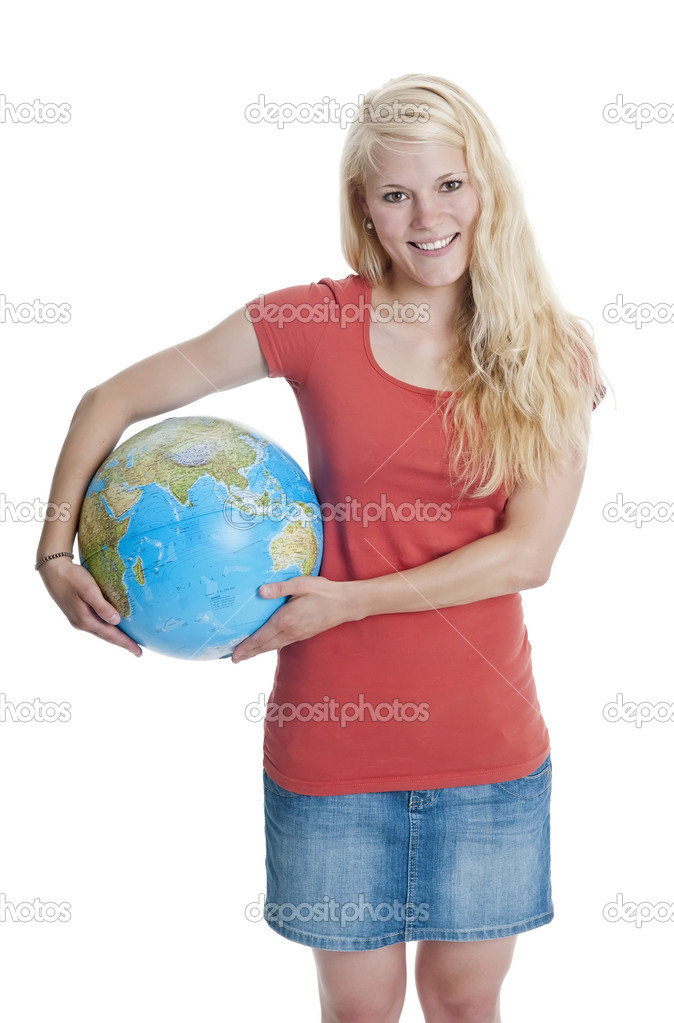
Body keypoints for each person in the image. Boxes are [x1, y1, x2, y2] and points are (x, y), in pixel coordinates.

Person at [36, 73, 607, 1023]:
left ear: (488, 190)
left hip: (487, 746)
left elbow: (527, 556)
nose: (429, 217)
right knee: (359, 1009)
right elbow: (109, 400)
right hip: (332, 743)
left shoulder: (553, 350)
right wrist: (55, 555)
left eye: (450, 186)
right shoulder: (312, 319)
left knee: (468, 1003)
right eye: (396, 194)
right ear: (367, 212)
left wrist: (346, 599)